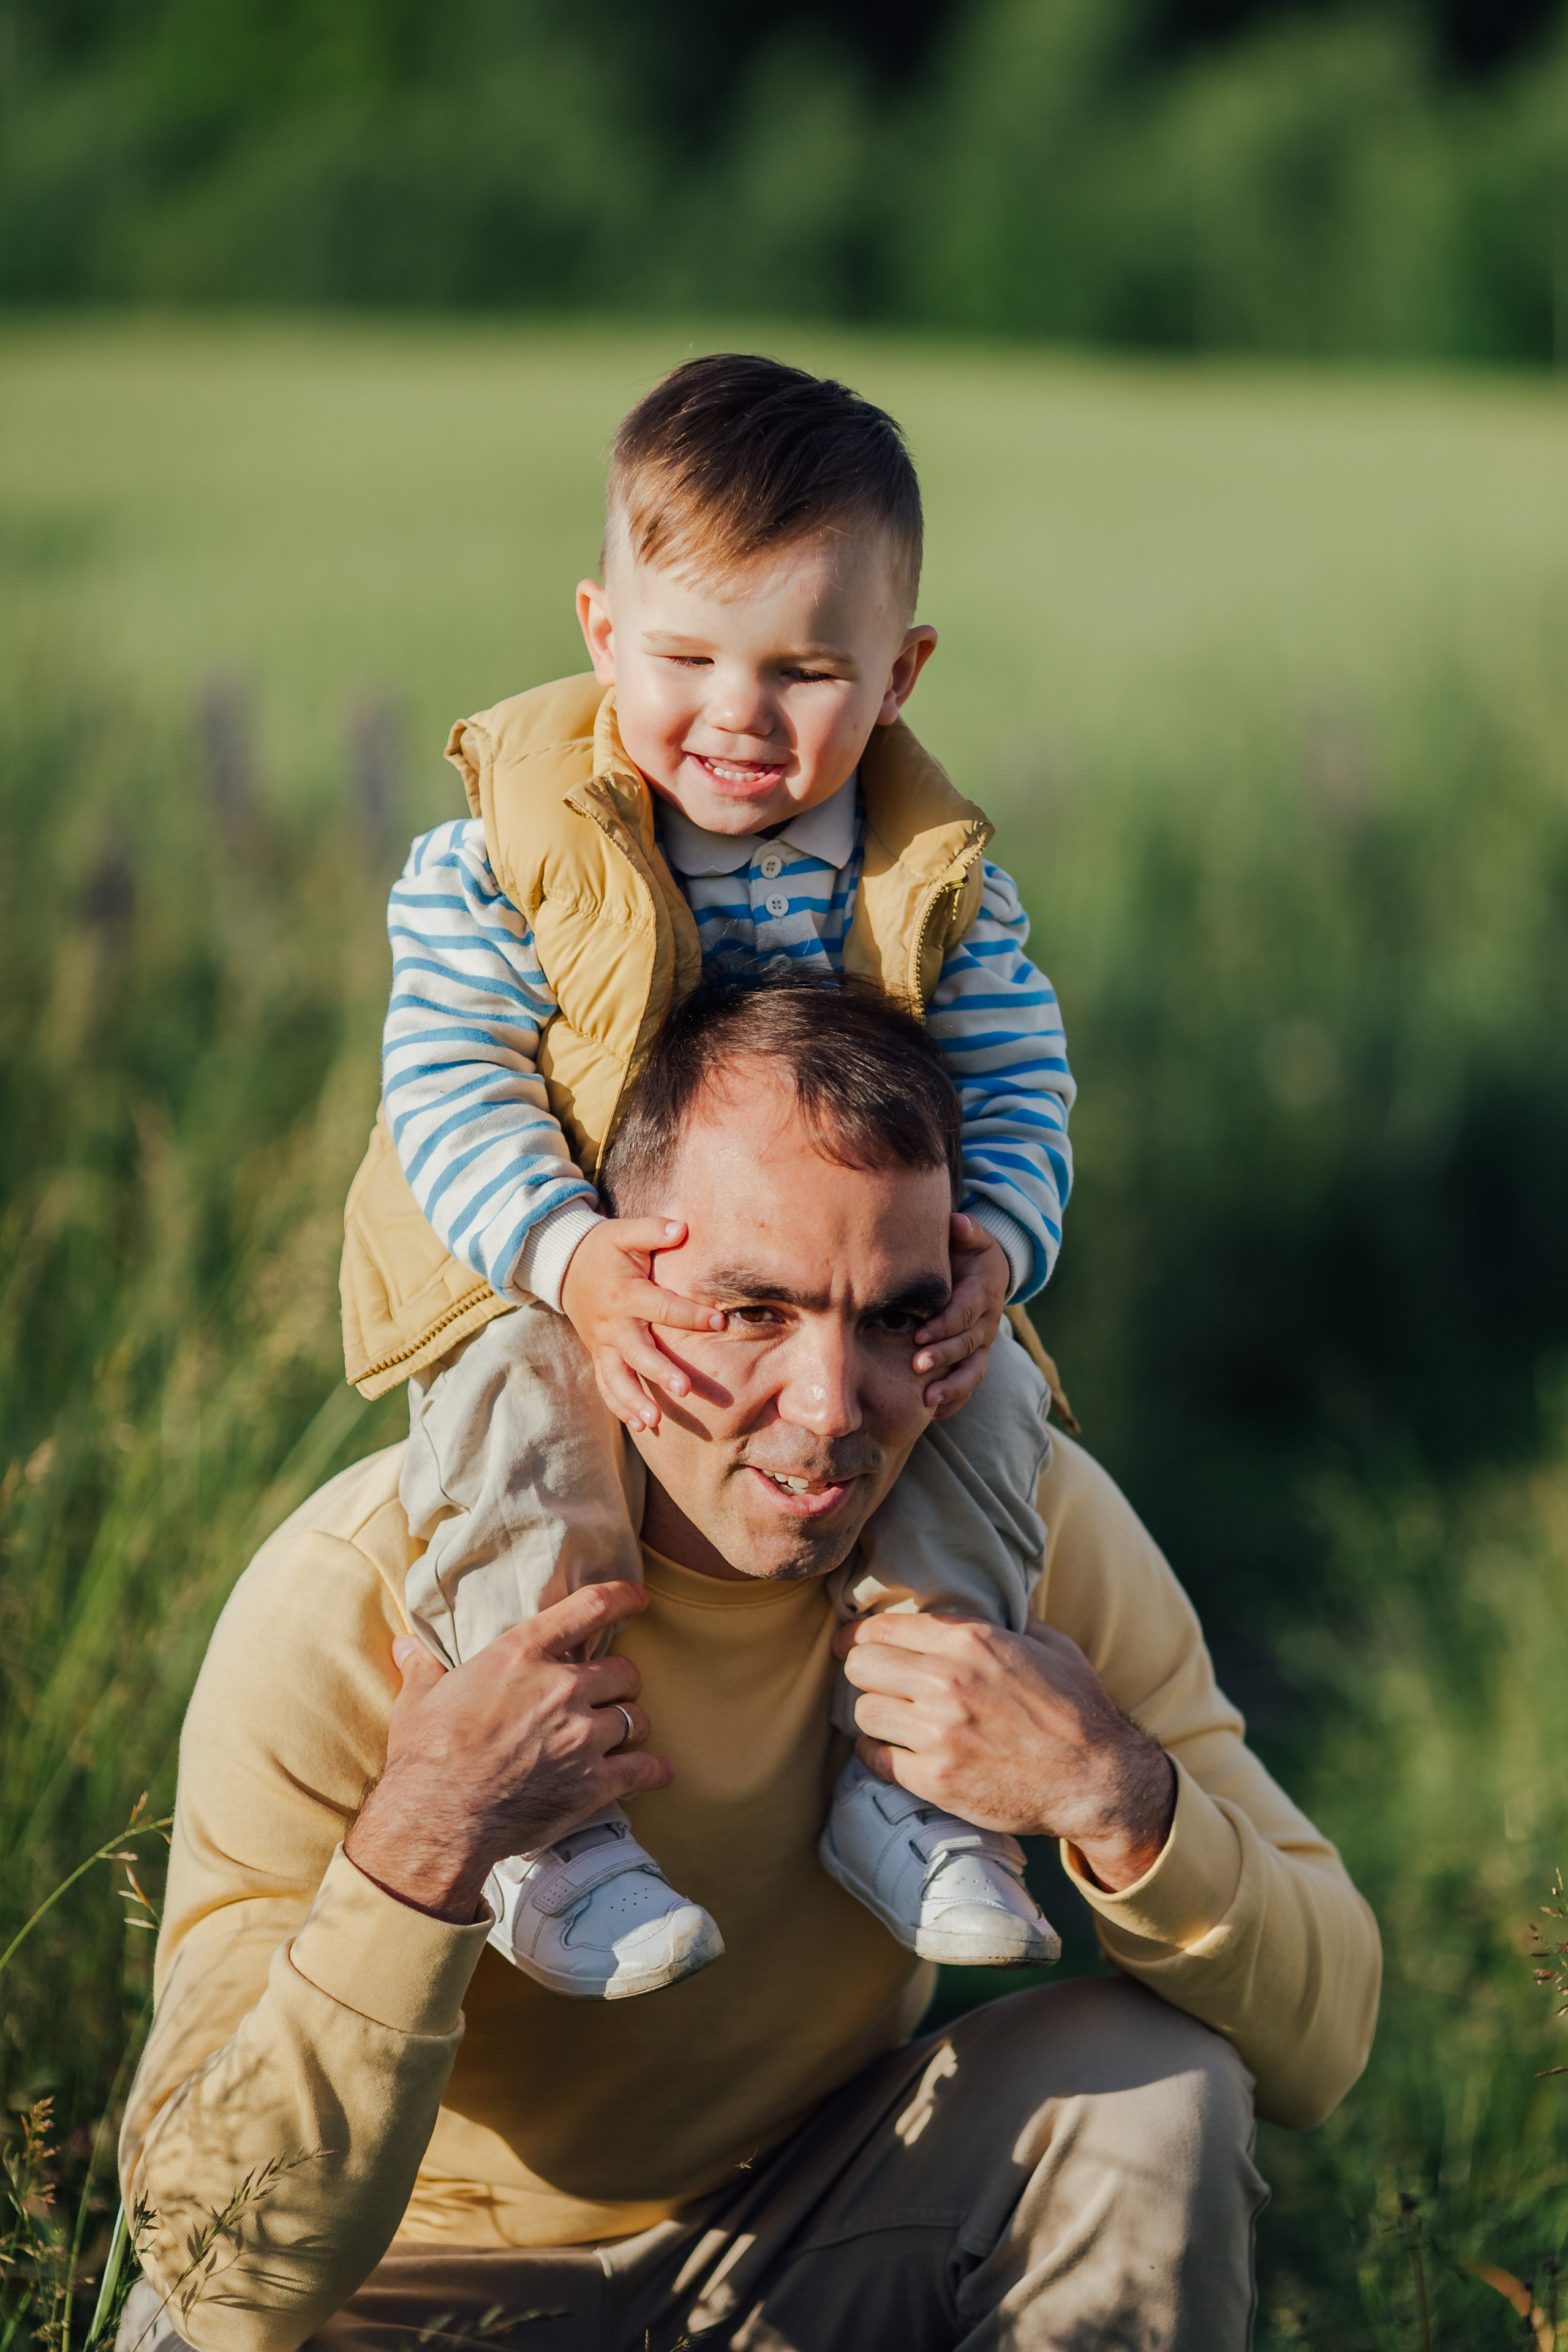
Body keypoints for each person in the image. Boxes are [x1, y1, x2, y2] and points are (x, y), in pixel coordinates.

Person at [119, 978, 1381, 2352]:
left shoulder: (1020, 1537)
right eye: (750, 1311)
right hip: (408, 2292)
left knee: (1152, 2089)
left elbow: (1320, 2049)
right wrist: (421, 1841)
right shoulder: (359, 1594)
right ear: (605, 1290)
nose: (834, 1409)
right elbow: (216, 2271)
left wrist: (1119, 1799)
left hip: (800, 2249)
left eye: (898, 1316)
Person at [341, 351, 1079, 1997]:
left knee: (989, 1404)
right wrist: (569, 1258)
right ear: (603, 639)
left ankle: (905, 1779)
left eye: (806, 668)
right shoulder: (502, 863)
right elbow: (446, 1082)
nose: (739, 714)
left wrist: (994, 1256)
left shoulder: (940, 882)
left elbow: (1024, 1084)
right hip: (552, 1259)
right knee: (523, 1426)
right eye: (686, 657)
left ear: (900, 674)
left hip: (832, 1278)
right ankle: (558, 1830)